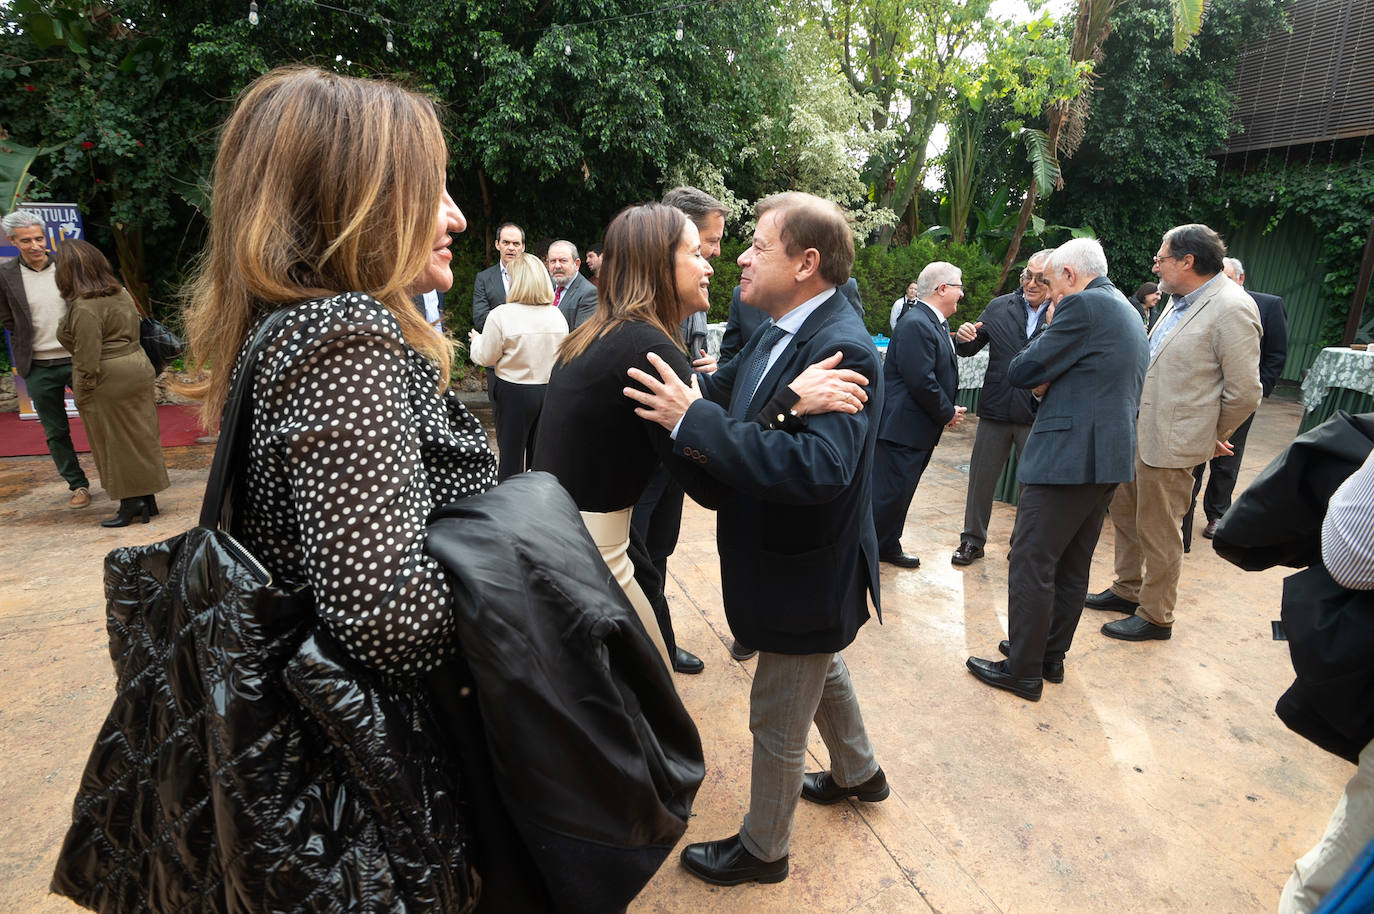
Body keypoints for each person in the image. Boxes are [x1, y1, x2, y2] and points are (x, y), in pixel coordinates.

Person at [180, 66, 496, 678]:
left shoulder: (290, 323)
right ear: (359, 202)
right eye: (433, 192)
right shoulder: (343, 333)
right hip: (374, 744)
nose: (455, 219)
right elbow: (389, 619)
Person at [625, 191, 886, 888]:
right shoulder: (775, 327)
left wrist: (695, 423)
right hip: (784, 567)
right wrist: (700, 413)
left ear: (806, 263)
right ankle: (861, 772)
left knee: (777, 716)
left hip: (807, 568)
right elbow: (743, 413)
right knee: (819, 665)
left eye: (758, 246)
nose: (738, 256)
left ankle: (763, 849)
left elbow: (820, 468)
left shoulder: (843, 346)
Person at [533, 203, 713, 670]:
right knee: (651, 704)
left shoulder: (601, 332)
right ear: (659, 265)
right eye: (696, 253)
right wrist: (789, 405)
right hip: (599, 558)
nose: (709, 265)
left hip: (563, 540)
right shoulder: (651, 347)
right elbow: (710, 483)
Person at [965, 239, 1147, 700]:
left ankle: (1022, 670)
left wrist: (1046, 326)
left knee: (1030, 560)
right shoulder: (1123, 307)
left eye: (1048, 282)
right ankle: (1046, 654)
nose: (1046, 292)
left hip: (1068, 456)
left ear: (1069, 273)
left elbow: (1022, 369)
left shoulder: (1083, 306)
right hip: (1104, 456)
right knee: (1069, 564)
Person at [1086, 223, 1261, 641]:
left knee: (1161, 530)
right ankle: (1127, 589)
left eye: (1161, 257)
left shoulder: (1232, 307)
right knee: (1126, 517)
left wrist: (1210, 433)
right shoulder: (1178, 300)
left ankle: (1156, 614)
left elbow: (1245, 391)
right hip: (1139, 432)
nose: (1155, 264)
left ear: (1187, 261)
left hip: (1174, 443)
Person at [633, 185, 729, 674]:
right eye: (704, 244)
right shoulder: (639, 330)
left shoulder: (687, 304)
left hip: (674, 444)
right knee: (640, 552)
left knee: (660, 546)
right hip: (650, 454)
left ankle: (659, 635)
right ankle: (652, 645)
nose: (715, 256)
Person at [53, 239, 169, 527]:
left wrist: (83, 389)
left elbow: (87, 357)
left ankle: (131, 503)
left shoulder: (84, 306)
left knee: (114, 441)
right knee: (141, 435)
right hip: (137, 367)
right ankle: (148, 499)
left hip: (109, 375)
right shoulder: (122, 293)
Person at [950, 250, 1053, 565]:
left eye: (1040, 278)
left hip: (1036, 414)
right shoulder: (999, 306)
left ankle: (1021, 546)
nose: (1031, 283)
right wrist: (963, 336)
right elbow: (969, 348)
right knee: (981, 479)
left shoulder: (1064, 312)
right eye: (1027, 276)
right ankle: (972, 541)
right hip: (996, 408)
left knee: (1031, 487)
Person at [871, 261, 967, 569]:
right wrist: (946, 413)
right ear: (942, 289)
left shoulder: (932, 322)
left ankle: (886, 544)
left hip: (915, 429)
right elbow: (921, 380)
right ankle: (866, 549)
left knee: (900, 494)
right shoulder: (916, 323)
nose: (962, 294)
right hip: (902, 429)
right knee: (887, 494)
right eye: (959, 286)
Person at [1186, 256, 1288, 544]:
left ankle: (1218, 514)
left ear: (1241, 279)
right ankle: (1184, 512)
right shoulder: (1202, 302)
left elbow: (1276, 356)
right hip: (1202, 397)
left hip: (1239, 398)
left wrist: (1256, 394)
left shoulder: (1267, 305)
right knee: (1193, 456)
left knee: (1227, 458)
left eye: (1228, 279)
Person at [0, 210, 92, 507]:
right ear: (13, 241)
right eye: (26, 240)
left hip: (77, 359)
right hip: (37, 365)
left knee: (100, 422)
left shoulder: (67, 266)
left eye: (39, 238)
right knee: (55, 431)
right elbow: (6, 316)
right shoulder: (5, 274)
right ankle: (77, 485)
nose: (35, 245)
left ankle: (117, 480)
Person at [468, 252, 568, 481]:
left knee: (511, 459)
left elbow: (486, 357)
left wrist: (476, 342)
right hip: (548, 390)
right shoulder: (556, 315)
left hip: (514, 392)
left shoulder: (501, 315)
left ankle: (508, 508)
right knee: (541, 459)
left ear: (518, 281)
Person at [472, 222, 524, 332]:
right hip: (496, 345)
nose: (511, 248)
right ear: (497, 245)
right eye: (506, 242)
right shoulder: (484, 279)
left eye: (516, 244)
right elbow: (480, 320)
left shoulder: (533, 277)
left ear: (523, 247)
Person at [547, 240, 598, 330]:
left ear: (577, 264)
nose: (557, 266)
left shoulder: (589, 293)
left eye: (563, 261)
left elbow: (580, 336)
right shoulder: (546, 286)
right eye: (553, 261)